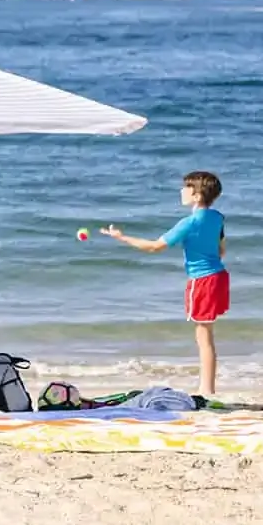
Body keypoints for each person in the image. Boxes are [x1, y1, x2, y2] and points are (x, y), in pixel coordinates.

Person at [100, 170, 227, 396]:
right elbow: (221, 249)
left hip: (202, 280)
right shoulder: (217, 217)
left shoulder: (189, 222)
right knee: (206, 334)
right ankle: (207, 387)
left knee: (203, 337)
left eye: (186, 187)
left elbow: (154, 247)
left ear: (197, 195)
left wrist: (121, 238)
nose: (182, 191)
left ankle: (206, 390)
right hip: (219, 277)